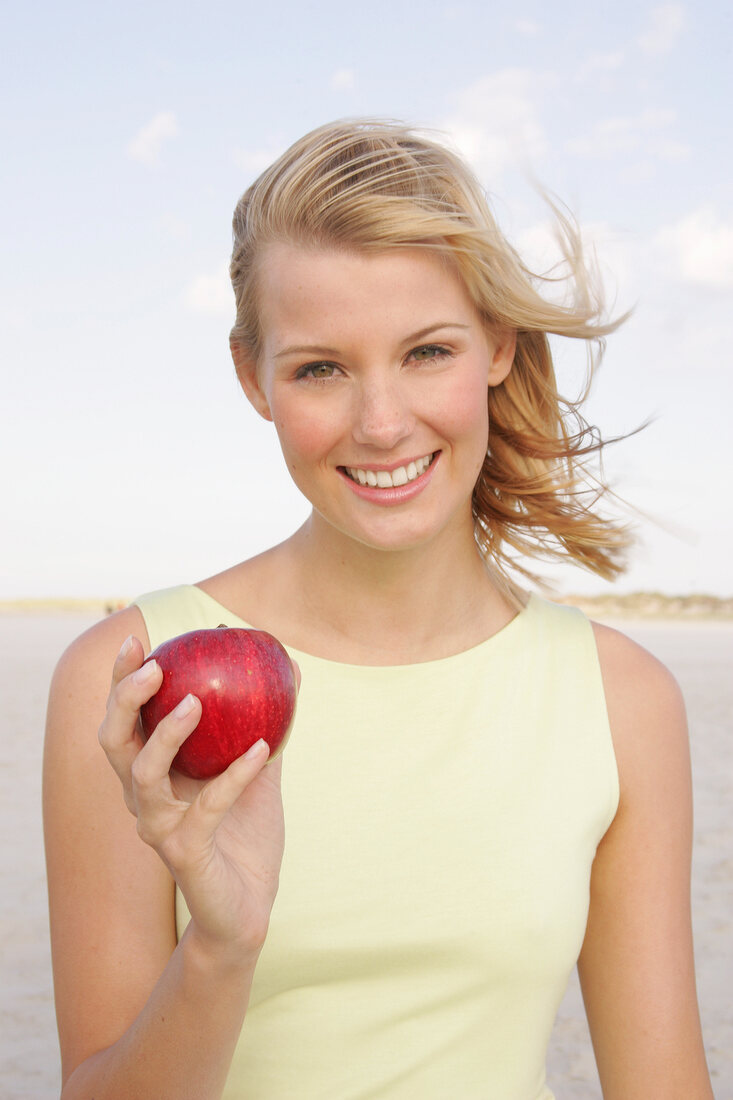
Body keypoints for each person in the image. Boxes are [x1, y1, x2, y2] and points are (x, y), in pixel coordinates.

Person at [43, 119, 713, 1099]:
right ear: (252, 378)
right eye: (321, 366)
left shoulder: (617, 698)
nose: (382, 422)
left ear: (496, 344)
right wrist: (222, 946)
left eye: (426, 351)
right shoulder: (135, 678)